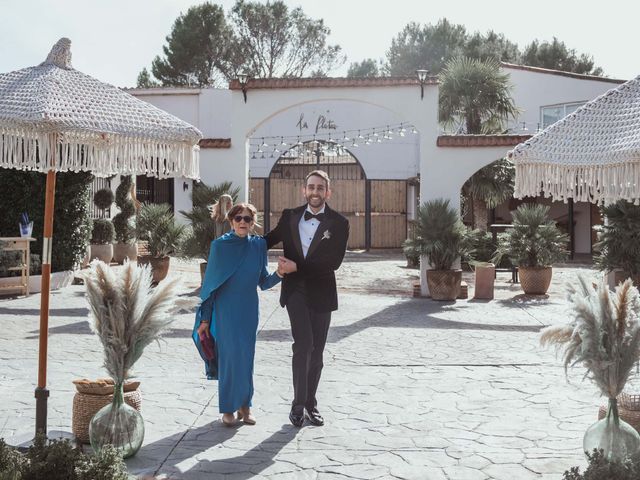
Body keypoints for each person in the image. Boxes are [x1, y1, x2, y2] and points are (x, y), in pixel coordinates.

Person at [193, 203, 292, 426]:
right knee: (229, 359)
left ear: (253, 222)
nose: (242, 223)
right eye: (238, 218)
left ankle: (245, 407)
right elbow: (210, 287)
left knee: (246, 360)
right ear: (231, 221)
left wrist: (280, 273)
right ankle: (227, 408)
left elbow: (264, 283)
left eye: (247, 219)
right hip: (225, 311)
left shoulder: (258, 246)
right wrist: (205, 319)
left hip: (248, 311)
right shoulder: (219, 247)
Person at [265, 169, 349, 427]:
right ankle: (298, 405)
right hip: (296, 291)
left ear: (328, 192)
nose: (315, 192)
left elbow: (332, 262)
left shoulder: (339, 223)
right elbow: (267, 240)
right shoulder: (290, 216)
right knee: (303, 345)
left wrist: (297, 267)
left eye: (320, 188)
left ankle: (311, 403)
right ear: (304, 190)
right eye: (311, 187)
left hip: (322, 291)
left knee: (318, 352)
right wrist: (237, 240)